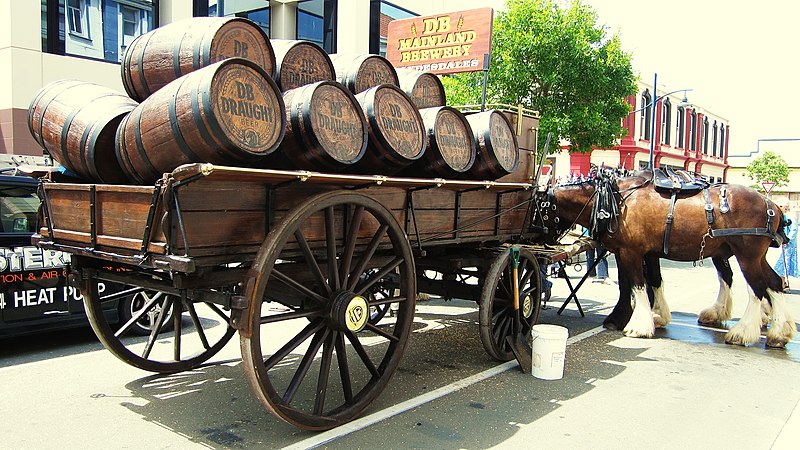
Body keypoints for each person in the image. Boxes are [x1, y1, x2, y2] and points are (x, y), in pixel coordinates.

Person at [774, 204, 798, 287]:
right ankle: (783, 282)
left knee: (784, 264)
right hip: (783, 243)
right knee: (781, 263)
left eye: (781, 206)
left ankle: (782, 283)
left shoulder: (791, 216)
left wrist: (787, 239)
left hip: (789, 244)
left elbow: (794, 230)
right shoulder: (782, 216)